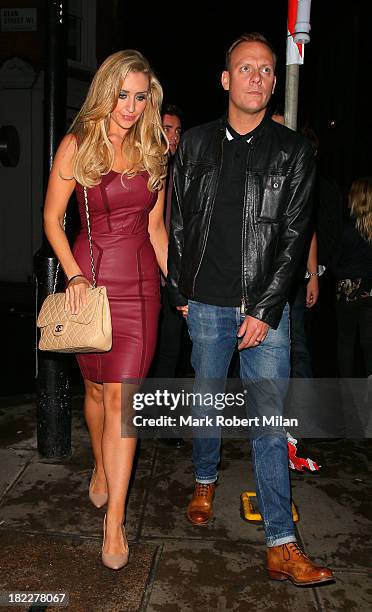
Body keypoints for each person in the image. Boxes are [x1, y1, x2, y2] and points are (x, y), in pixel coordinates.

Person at [167, 32, 334, 585]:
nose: (258, 77)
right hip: (205, 305)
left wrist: (265, 309)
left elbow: (293, 236)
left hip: (268, 311)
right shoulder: (191, 145)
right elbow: (177, 224)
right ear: (226, 79)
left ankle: (281, 543)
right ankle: (205, 477)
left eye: (266, 69)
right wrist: (180, 294)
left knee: (268, 421)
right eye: (246, 68)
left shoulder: (293, 152)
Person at [43, 49, 168, 570]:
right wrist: (72, 274)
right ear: (106, 91)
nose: (132, 106)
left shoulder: (155, 148)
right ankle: (100, 465)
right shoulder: (77, 145)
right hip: (90, 284)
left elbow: (157, 230)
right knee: (95, 389)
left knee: (123, 400)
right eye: (123, 95)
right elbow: (52, 219)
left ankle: (114, 521)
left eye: (141, 97)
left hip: (141, 288)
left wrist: (177, 288)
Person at [150, 104, 188, 447]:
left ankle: (165, 423)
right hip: (147, 276)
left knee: (171, 351)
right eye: (167, 128)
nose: (172, 136)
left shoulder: (183, 169)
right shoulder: (147, 166)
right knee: (153, 351)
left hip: (175, 277)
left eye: (177, 130)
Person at [332, 176, 372, 377]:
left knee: (346, 341)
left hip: (347, 290)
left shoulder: (347, 229)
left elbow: (335, 260)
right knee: (368, 340)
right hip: (370, 289)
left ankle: (345, 386)